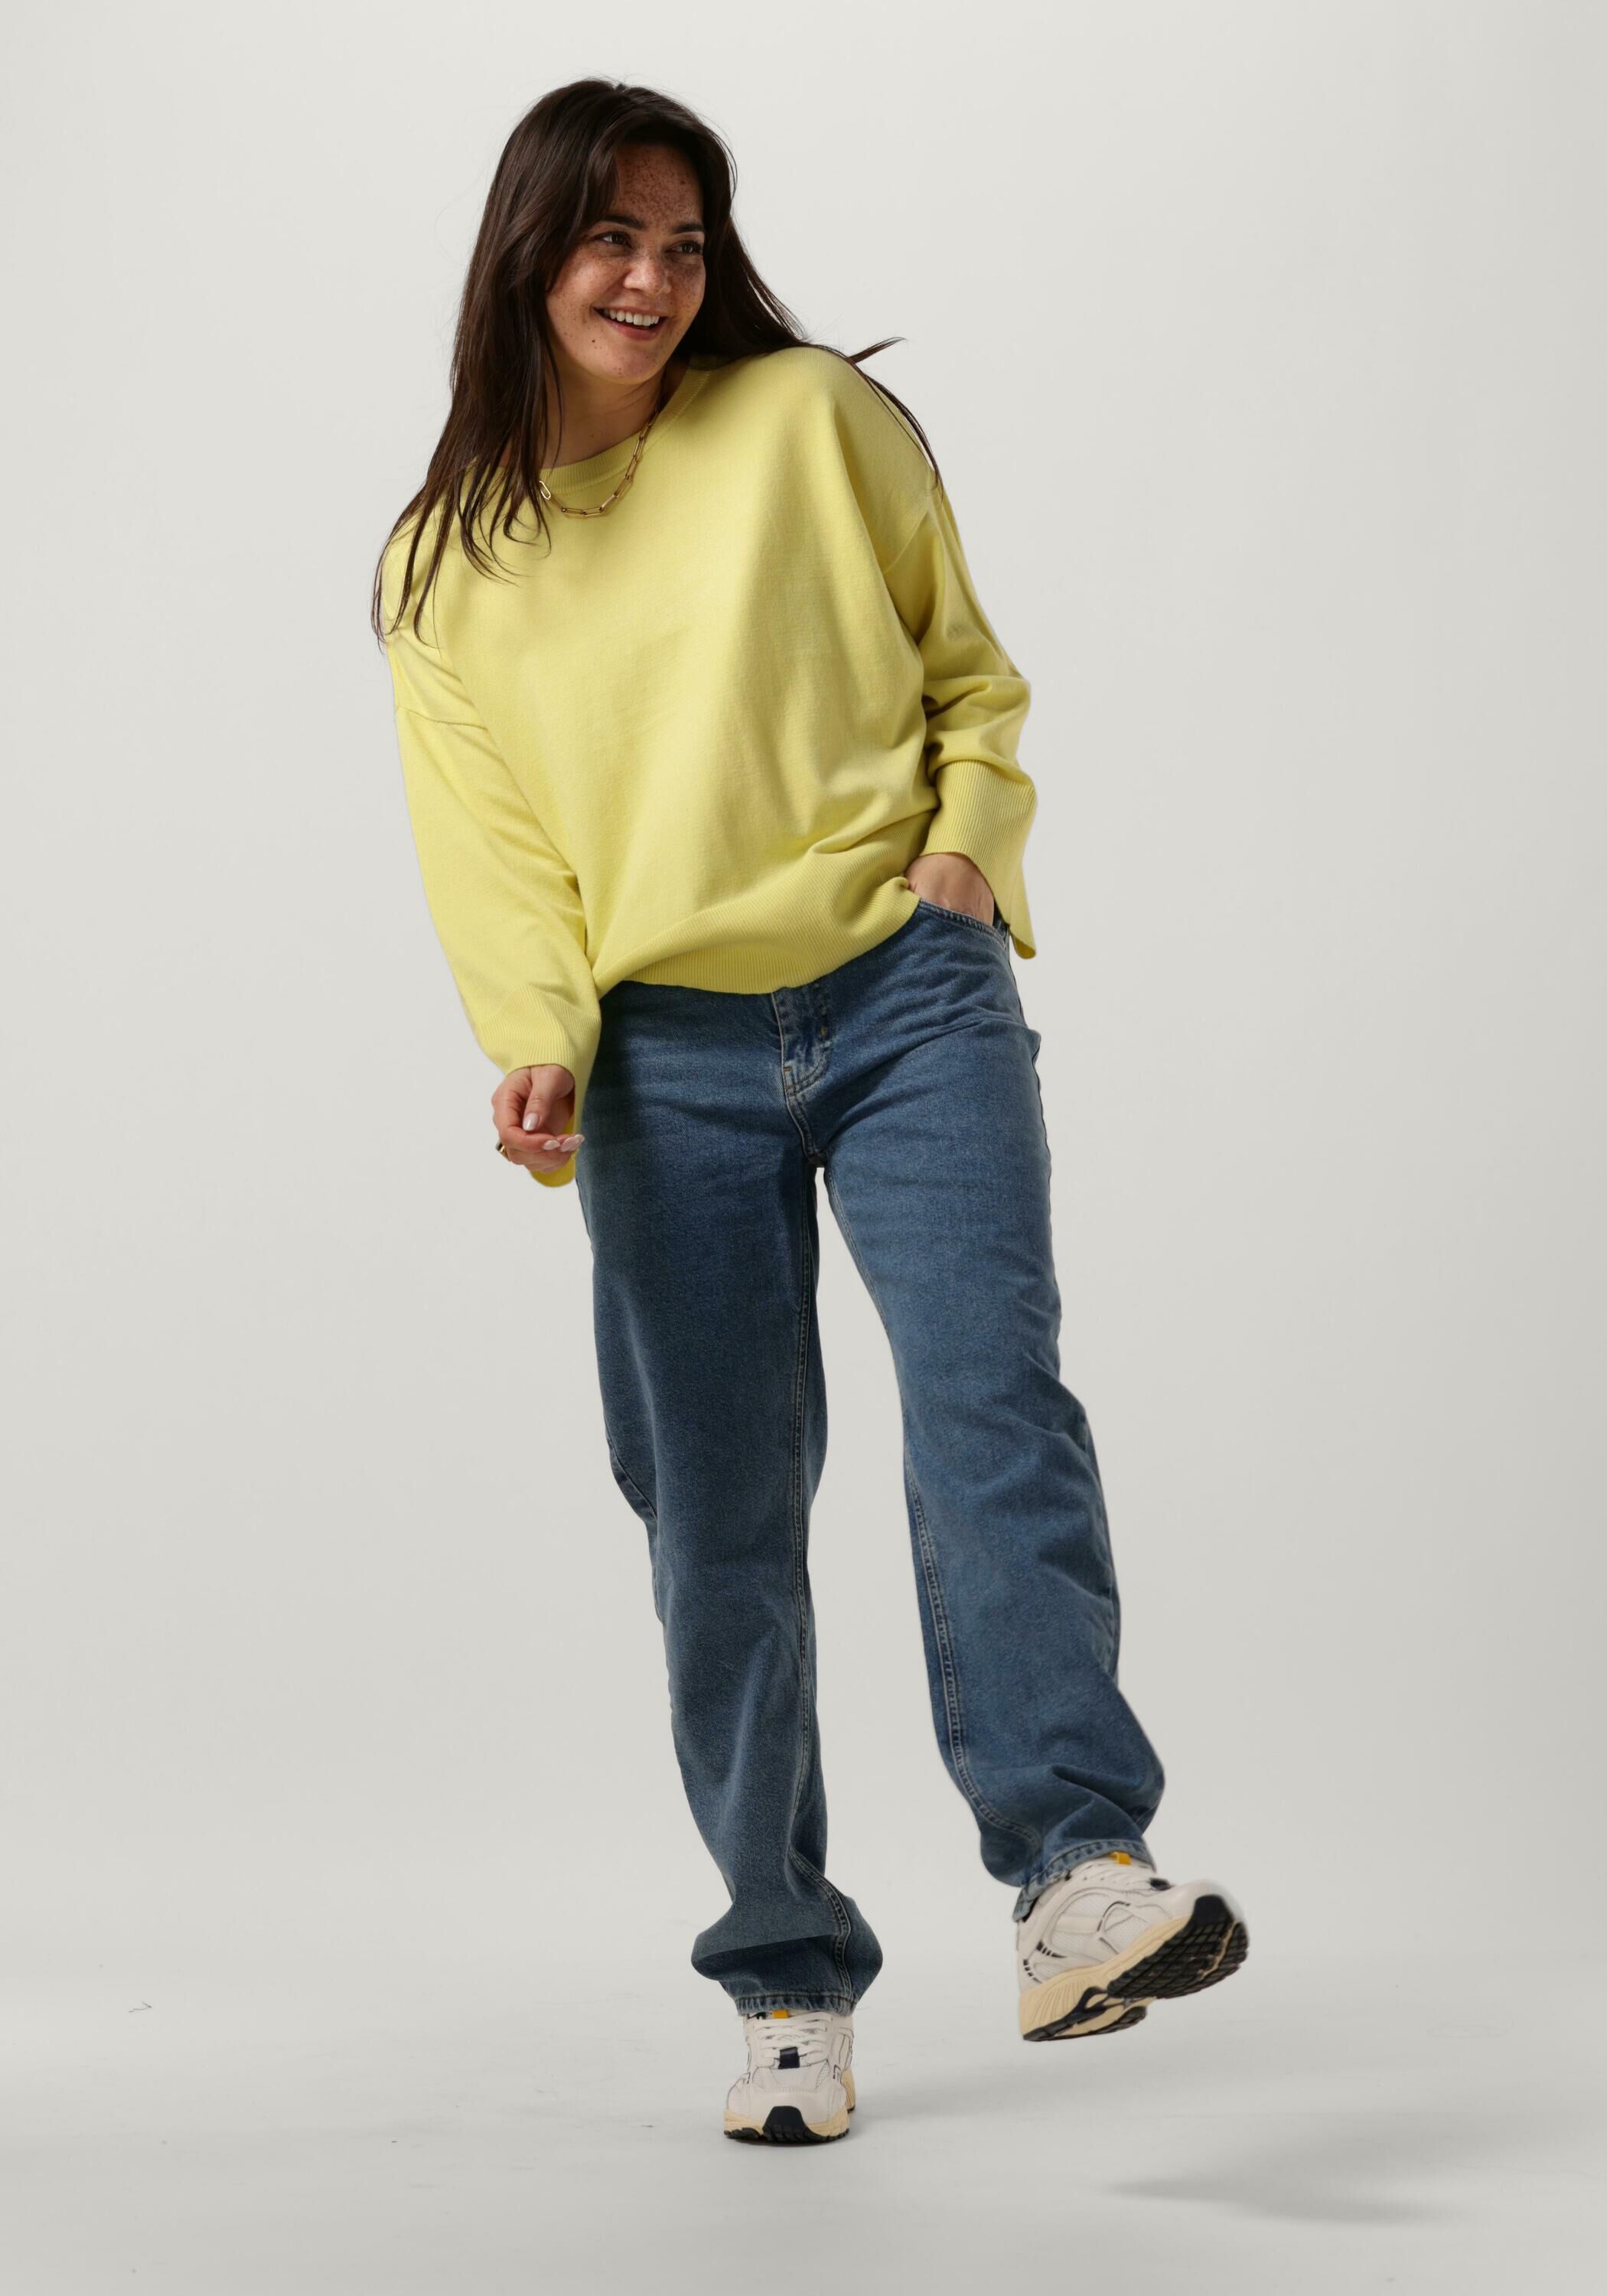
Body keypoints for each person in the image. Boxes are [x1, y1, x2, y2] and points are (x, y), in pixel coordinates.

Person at [373, 77, 1248, 2148]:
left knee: (989, 1406)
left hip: (905, 992)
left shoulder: (811, 422)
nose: (653, 280)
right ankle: (783, 1976)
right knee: (717, 1518)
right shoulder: (442, 568)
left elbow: (968, 677)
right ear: (526, 249)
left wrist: (963, 859)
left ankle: (1075, 1873)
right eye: (613, 239)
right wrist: (538, 1036)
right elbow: (493, 850)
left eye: (685, 243)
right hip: (660, 1058)